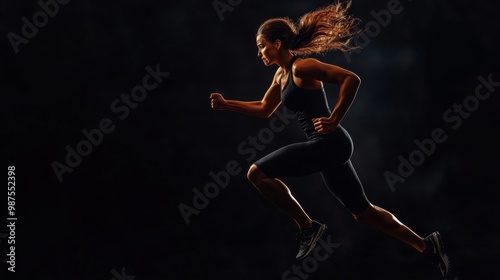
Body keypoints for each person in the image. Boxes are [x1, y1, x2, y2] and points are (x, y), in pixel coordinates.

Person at [209, 1, 452, 278]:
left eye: (262, 46)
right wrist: (227, 104)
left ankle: (309, 227)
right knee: (363, 213)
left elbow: (351, 79)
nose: (259, 52)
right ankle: (427, 246)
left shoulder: (302, 67)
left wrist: (334, 118)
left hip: (329, 142)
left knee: (257, 173)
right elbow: (265, 108)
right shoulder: (281, 75)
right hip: (327, 148)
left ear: (277, 43)